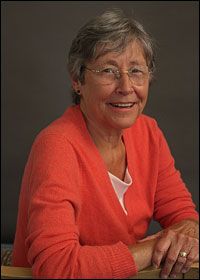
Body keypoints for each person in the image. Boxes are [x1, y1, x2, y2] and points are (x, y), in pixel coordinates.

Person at [12, 9, 199, 279]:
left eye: (136, 71)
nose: (126, 86)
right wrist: (153, 247)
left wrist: (187, 233)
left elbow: (183, 215)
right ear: (77, 80)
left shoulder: (148, 132)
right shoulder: (56, 146)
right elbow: (57, 268)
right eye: (109, 71)